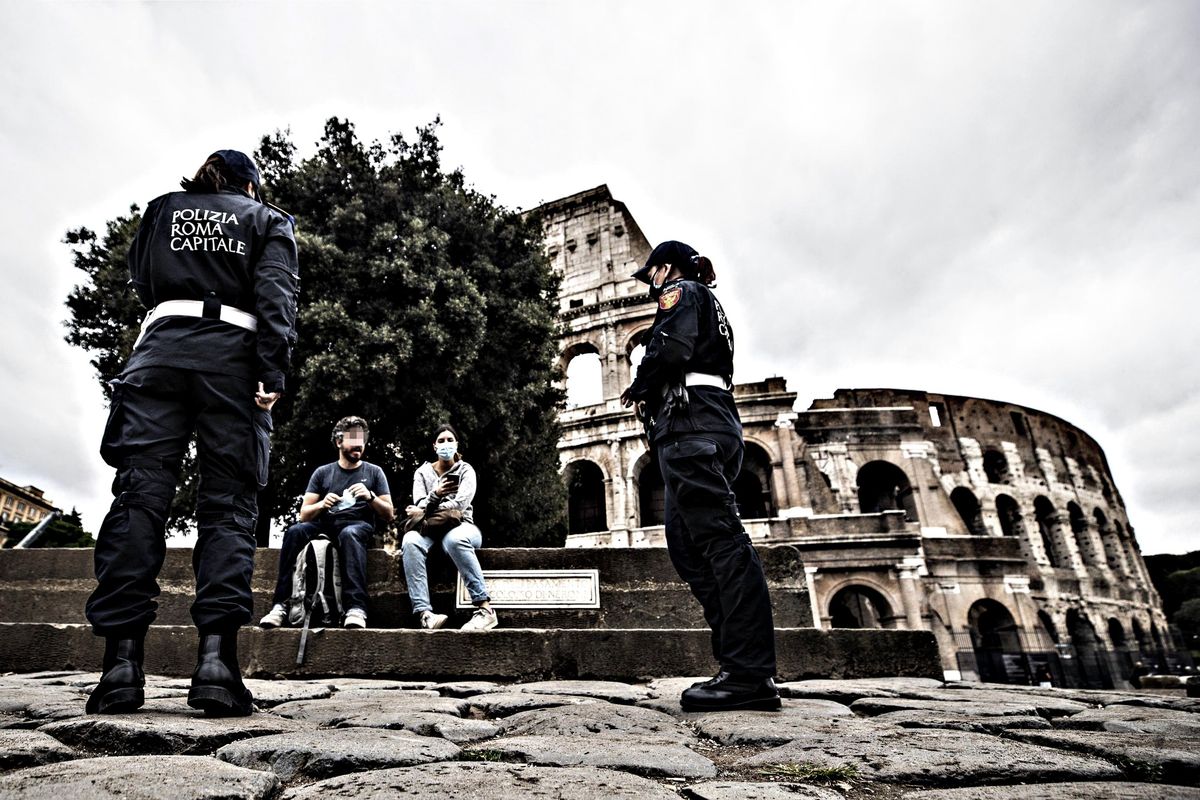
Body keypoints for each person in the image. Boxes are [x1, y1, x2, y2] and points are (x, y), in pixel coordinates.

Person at [85, 150, 299, 717]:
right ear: (250, 185)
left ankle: (120, 667)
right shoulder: (269, 219)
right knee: (229, 506)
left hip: (157, 354)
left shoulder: (161, 210)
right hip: (232, 361)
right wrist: (272, 371)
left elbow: (142, 280)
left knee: (138, 498)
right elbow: (276, 297)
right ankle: (216, 665)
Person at [620, 240, 779, 712]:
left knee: (721, 541)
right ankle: (735, 662)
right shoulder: (704, 299)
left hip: (692, 425)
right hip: (703, 423)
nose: (651, 286)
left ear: (664, 269)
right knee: (688, 547)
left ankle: (749, 674)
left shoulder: (682, 290)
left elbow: (671, 348)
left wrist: (638, 386)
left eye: (651, 275)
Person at [259, 416, 395, 629]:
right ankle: (281, 606)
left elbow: (389, 514)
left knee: (349, 534)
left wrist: (371, 497)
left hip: (358, 526)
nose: (359, 444)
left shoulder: (374, 472)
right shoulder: (323, 473)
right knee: (295, 531)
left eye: (363, 440)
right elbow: (305, 514)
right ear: (339, 442)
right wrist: (322, 504)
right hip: (326, 526)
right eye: (353, 439)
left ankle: (356, 608)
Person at [402, 425, 498, 631]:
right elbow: (418, 503)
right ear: (434, 446)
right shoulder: (422, 472)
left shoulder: (466, 470)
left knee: (454, 539)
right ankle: (425, 614)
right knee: (409, 541)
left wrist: (428, 507)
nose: (446, 444)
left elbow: (460, 505)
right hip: (430, 529)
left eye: (450, 440)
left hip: (462, 525)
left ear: (456, 445)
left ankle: (485, 610)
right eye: (441, 440)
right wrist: (435, 493)